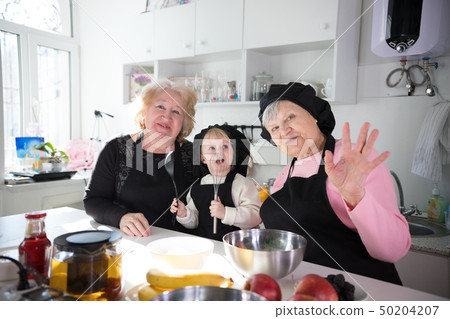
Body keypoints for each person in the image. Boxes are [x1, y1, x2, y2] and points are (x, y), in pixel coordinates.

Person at [258, 82, 410, 284]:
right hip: (307, 292)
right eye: (274, 128)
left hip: (360, 293)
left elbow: (393, 250)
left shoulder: (354, 159)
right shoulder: (284, 176)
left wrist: (356, 197)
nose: (284, 130)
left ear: (313, 115)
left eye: (290, 117)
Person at [84, 79, 197, 237]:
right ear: (145, 111)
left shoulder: (195, 154)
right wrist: (120, 217)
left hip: (177, 248)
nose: (167, 116)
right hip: (129, 243)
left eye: (176, 112)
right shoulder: (115, 148)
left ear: (184, 122)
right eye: (160, 106)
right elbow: (93, 201)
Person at [170, 125, 262, 241]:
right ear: (203, 158)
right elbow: (194, 223)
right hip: (206, 248)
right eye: (212, 148)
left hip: (235, 248)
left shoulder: (242, 184)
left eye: (225, 146)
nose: (219, 152)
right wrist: (184, 214)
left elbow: (255, 216)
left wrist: (225, 213)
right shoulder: (196, 187)